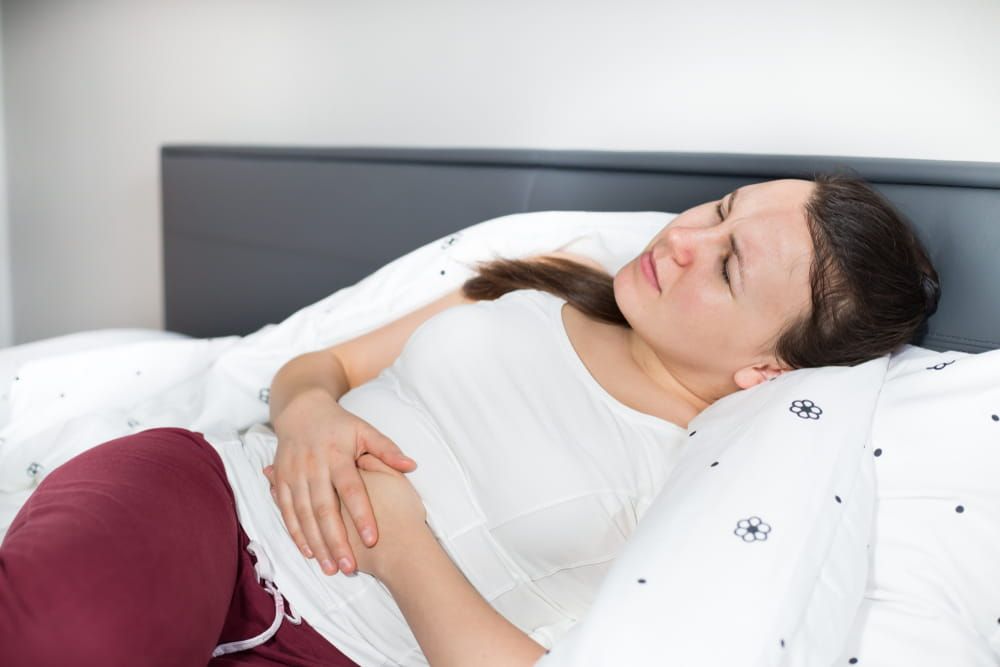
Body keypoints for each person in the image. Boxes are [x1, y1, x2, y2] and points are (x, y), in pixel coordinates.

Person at [0, 173, 939, 667]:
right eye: (719, 210)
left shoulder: (705, 476)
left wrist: (403, 544)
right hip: (215, 498)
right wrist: (310, 413)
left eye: (728, 265)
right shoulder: (537, 292)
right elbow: (318, 364)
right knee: (69, 645)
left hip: (349, 651)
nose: (682, 240)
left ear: (768, 366)